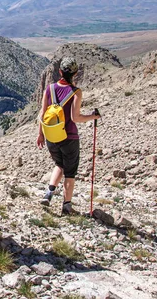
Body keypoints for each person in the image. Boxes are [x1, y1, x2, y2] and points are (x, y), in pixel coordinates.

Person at [36, 57, 100, 215]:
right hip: (69, 137)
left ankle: (49, 194)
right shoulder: (76, 92)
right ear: (75, 74)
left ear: (60, 72)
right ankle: (66, 206)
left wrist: (40, 134)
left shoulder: (49, 89)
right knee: (70, 172)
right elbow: (75, 118)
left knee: (59, 164)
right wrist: (92, 117)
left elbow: (43, 114)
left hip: (51, 135)